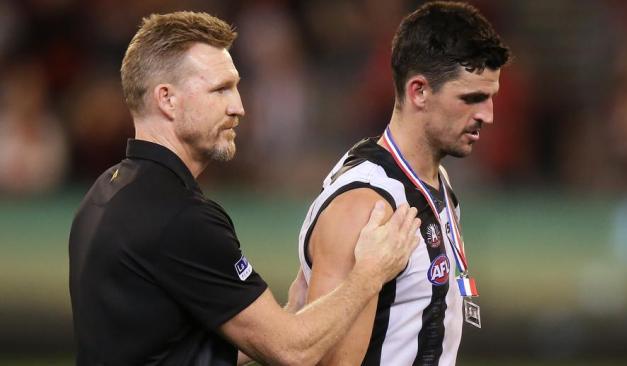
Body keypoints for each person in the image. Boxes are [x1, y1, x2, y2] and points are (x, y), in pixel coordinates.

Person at [68, 11, 422, 366]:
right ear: (167, 99)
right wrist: (370, 273)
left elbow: (170, 349)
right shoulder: (180, 217)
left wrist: (290, 313)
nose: (238, 107)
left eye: (236, 86)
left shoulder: (104, 193)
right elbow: (293, 352)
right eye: (220, 89)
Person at [298, 1, 510, 365]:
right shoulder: (365, 206)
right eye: (471, 98)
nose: (487, 116)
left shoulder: (434, 178)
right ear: (419, 92)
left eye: (490, 98)